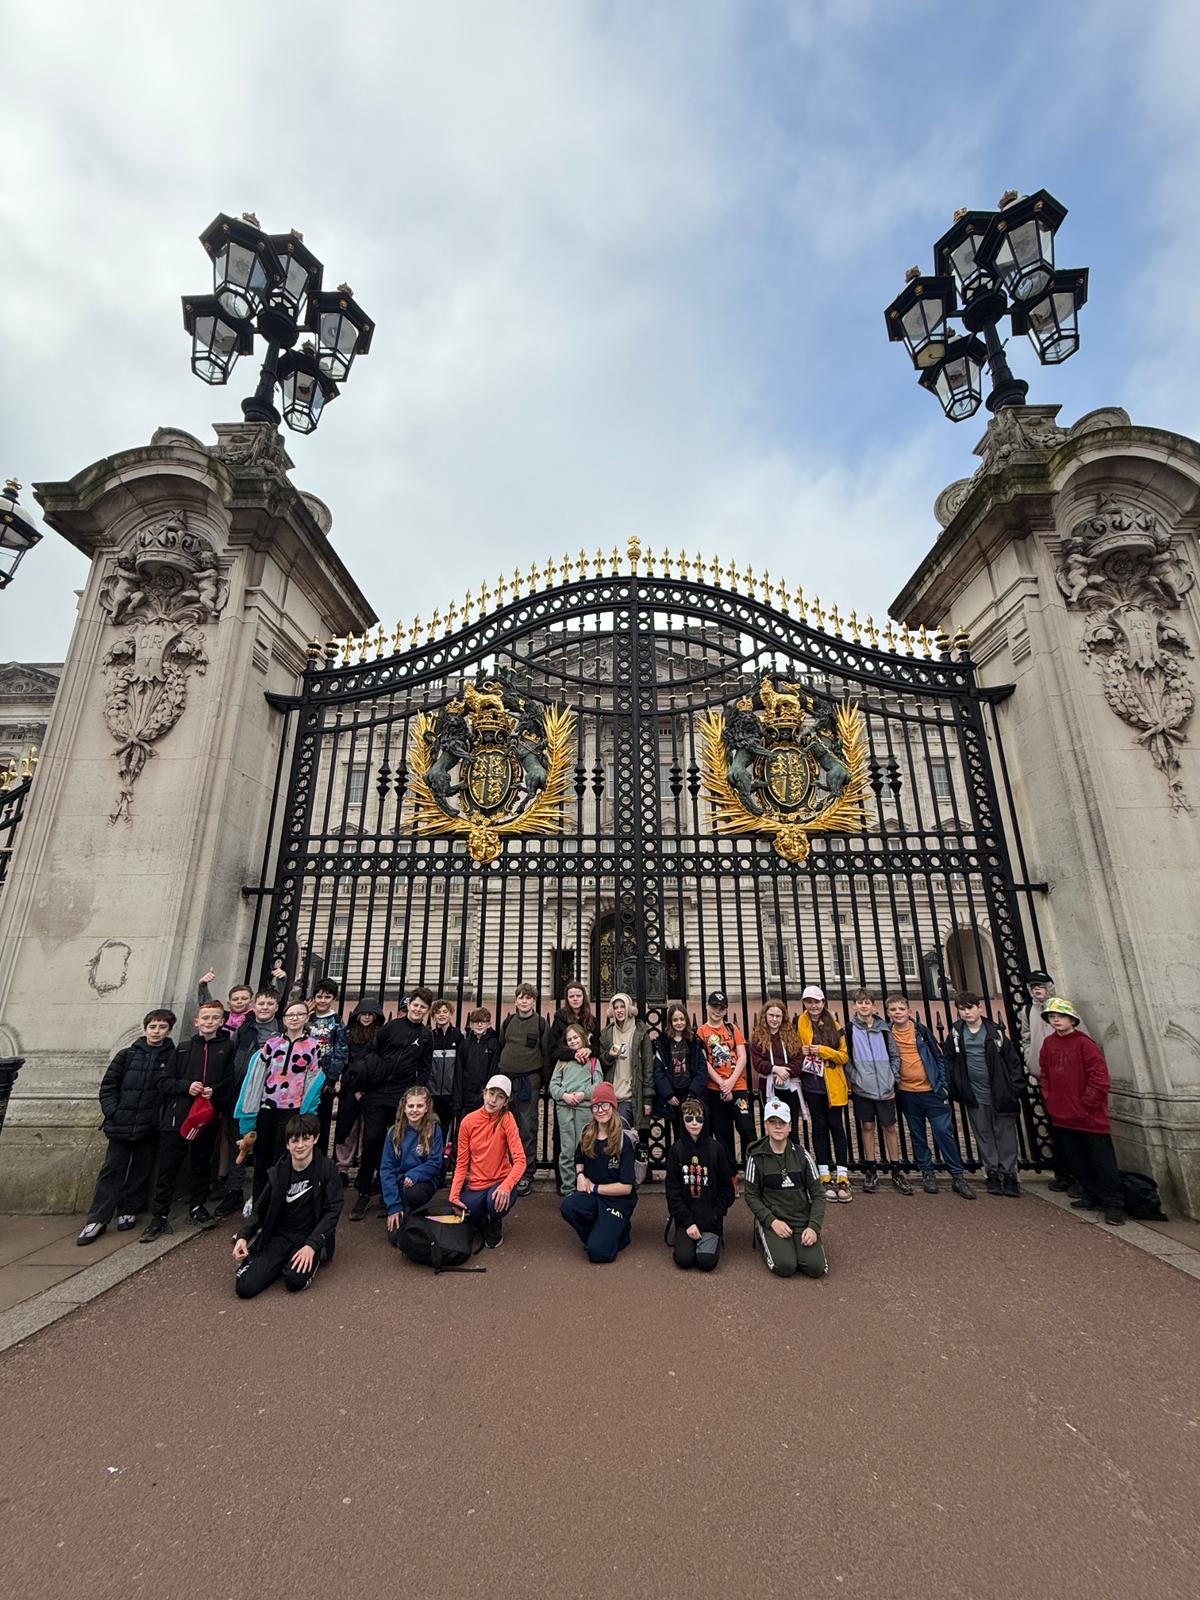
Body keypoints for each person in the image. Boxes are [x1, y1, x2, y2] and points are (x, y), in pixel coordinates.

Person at [77, 1009, 177, 1245]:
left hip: (149, 1124)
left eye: (162, 1027)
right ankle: (98, 1217)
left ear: (169, 1030)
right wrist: (113, 1111)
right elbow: (109, 1086)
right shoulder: (127, 1055)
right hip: (121, 1122)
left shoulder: (173, 1057)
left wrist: (158, 1118)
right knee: (112, 1169)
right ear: (145, 1028)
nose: (156, 1031)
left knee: (141, 1169)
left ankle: (129, 1208)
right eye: (153, 1027)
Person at [140, 999, 237, 1241]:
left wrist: (215, 1091)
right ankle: (160, 1215)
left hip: (206, 1117)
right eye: (205, 1017)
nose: (209, 1022)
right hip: (178, 1116)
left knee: (201, 1164)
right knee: (168, 1167)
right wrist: (186, 1086)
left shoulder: (227, 1047)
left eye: (214, 1018)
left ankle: (197, 1206)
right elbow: (165, 1080)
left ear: (222, 1021)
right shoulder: (183, 1048)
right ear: (196, 1022)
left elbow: (230, 1080)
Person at [232, 1113, 343, 1298]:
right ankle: (276, 1263)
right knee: (245, 1288)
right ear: (287, 1144)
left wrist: (312, 1245)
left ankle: (304, 1260)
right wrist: (244, 1236)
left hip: (309, 1237)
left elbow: (333, 1210)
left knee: (294, 1281)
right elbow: (261, 1208)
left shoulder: (327, 1169)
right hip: (280, 1236)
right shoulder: (279, 1171)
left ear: (315, 1139)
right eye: (294, 1140)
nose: (300, 1145)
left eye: (306, 1139)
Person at [1039, 997, 1126, 1226]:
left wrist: (1086, 1103)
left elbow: (1099, 1077)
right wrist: (1050, 1099)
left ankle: (1113, 1203)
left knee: (1102, 1162)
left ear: (1072, 1019)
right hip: (1063, 1114)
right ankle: (1091, 1194)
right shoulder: (1049, 1043)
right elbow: (1045, 1073)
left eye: (1060, 1016)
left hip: (1089, 1116)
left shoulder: (1085, 1044)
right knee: (1078, 1160)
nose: (1056, 1020)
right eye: (1052, 1017)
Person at [233, 1000, 325, 1207]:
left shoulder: (313, 1047)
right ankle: (259, 1206)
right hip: (267, 1108)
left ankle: (278, 1206)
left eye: (299, 1014)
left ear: (306, 1018)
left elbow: (313, 1082)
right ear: (284, 1019)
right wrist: (248, 1116)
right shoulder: (272, 1045)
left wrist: (308, 1114)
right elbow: (256, 1079)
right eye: (290, 1015)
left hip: (292, 1111)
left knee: (282, 1160)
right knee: (262, 1161)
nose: (295, 1018)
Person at [351, 986, 432, 1220]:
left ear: (427, 1010)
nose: (417, 1010)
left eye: (422, 1007)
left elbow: (425, 1067)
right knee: (373, 1139)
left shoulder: (426, 1035)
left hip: (401, 1094)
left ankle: (387, 1191)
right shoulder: (391, 1027)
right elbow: (370, 1054)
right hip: (376, 1091)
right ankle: (363, 1190)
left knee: (397, 1144)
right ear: (409, 1005)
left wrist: (416, 1093)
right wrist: (361, 1085)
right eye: (415, 1005)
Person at [886, 995, 975, 1200]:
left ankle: (957, 1175)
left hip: (931, 1091)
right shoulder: (886, 1033)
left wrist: (942, 1084)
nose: (897, 1013)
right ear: (888, 1013)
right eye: (893, 1010)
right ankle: (927, 1171)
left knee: (943, 1132)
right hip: (906, 1092)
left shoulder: (922, 1031)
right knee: (917, 1134)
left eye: (901, 1009)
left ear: (909, 1011)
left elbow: (939, 1056)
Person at [947, 992, 1027, 1197]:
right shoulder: (956, 1033)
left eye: (970, 1007)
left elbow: (1012, 1062)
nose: (967, 1012)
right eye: (962, 1009)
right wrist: (956, 1085)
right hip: (974, 1093)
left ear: (980, 1008)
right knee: (983, 1134)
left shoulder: (995, 1033)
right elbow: (950, 1060)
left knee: (1005, 1134)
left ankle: (1009, 1174)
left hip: (1000, 1092)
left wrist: (1015, 1088)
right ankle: (992, 1172)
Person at [212, 986, 281, 1218]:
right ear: (254, 1006)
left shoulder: (280, 1030)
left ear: (277, 1007)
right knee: (238, 1144)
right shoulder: (244, 1029)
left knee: (266, 1146)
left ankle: (263, 1193)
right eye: (261, 1003)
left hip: (270, 1097)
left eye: (270, 1004)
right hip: (241, 1093)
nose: (265, 1007)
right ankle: (234, 1190)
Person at [743, 1098, 828, 1279]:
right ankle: (763, 1233)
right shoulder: (756, 1158)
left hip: (801, 1220)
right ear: (765, 1125)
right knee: (785, 1266)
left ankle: (802, 1243)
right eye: (772, 1122)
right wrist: (771, 1221)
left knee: (816, 1268)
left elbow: (819, 1194)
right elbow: (751, 1196)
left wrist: (813, 1227)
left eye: (782, 1122)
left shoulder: (803, 1156)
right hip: (775, 1221)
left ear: (790, 1127)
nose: (777, 1127)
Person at [1021, 968, 1089, 1193]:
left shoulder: (1063, 1008)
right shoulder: (1027, 1010)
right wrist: (1030, 1059)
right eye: (1033, 987)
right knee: (1056, 1130)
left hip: (1070, 1080)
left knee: (1076, 1130)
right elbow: (1026, 1038)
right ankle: (1062, 1172)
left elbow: (1084, 1040)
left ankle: (1082, 1177)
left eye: (1040, 986)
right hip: (1044, 1078)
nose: (1037, 990)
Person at [560, 1083, 637, 1263]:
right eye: (596, 1106)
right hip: (593, 1196)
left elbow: (626, 1187)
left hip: (616, 1201)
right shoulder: (588, 1133)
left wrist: (594, 1187)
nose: (600, 1110)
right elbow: (578, 1158)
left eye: (604, 1105)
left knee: (598, 1253)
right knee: (568, 1207)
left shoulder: (623, 1141)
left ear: (613, 1107)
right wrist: (580, 1175)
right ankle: (600, 1233)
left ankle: (619, 1233)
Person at [845, 989, 912, 1195]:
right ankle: (871, 1168)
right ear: (854, 1006)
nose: (864, 1006)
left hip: (885, 1087)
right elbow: (847, 1058)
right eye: (860, 1002)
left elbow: (894, 1056)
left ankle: (896, 1169)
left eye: (867, 1002)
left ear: (874, 1006)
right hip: (863, 1088)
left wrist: (893, 1079)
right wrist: (856, 1080)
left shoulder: (884, 1030)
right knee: (867, 1126)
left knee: (890, 1127)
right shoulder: (849, 1029)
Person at [449, 1074, 527, 1249]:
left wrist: (507, 1186)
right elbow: (462, 1163)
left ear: (505, 1102)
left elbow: (520, 1160)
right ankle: (481, 1216)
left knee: (495, 1203)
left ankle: (494, 1220)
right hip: (477, 1184)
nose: (493, 1100)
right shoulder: (468, 1121)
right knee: (456, 1211)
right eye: (491, 1093)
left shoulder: (507, 1119)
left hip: (500, 1182)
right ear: (484, 1093)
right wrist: (454, 1196)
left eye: (500, 1097)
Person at [663, 1097, 734, 1271]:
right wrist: (687, 1222)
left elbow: (727, 1189)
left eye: (699, 1118)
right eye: (689, 1118)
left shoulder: (716, 1149)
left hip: (711, 1217)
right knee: (684, 1259)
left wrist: (716, 1214)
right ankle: (686, 1237)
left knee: (706, 1262)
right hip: (687, 1219)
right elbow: (672, 1192)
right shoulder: (676, 1150)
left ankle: (709, 1240)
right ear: (683, 1121)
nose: (694, 1123)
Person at [796, 986, 853, 1203]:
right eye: (809, 1002)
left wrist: (822, 1050)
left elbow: (844, 1056)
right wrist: (801, 1051)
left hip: (832, 1085)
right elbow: (793, 1049)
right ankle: (824, 1173)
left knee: (836, 1127)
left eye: (816, 1002)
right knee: (818, 1127)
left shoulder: (835, 1025)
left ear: (823, 1003)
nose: (813, 1006)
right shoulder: (799, 1023)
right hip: (812, 1085)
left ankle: (842, 1174)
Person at [498, 982, 547, 1196]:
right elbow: (502, 1046)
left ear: (534, 1001)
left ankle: (526, 1173)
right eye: (521, 997)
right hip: (507, 1082)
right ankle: (508, 1168)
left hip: (529, 1081)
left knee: (527, 1128)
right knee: (507, 1127)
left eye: (528, 998)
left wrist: (543, 1082)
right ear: (516, 1000)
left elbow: (546, 1054)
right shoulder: (508, 1021)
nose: (524, 1001)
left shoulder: (541, 1024)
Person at [698, 990, 755, 1172]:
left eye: (721, 1008)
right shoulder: (702, 1031)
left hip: (737, 1085)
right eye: (714, 1006)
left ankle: (752, 1167)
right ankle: (730, 1173)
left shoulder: (732, 1029)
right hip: (715, 1087)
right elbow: (704, 1061)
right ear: (707, 1007)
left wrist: (730, 1082)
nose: (717, 1011)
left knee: (746, 1127)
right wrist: (722, 1083)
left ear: (726, 1010)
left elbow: (742, 1057)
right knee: (723, 1132)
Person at [380, 1084, 445, 1239]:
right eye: (411, 1106)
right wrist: (394, 1206)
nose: (414, 1110)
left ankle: (418, 1211)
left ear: (427, 1108)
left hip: (423, 1182)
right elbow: (387, 1169)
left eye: (419, 1106)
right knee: (395, 1237)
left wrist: (415, 1174)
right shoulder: (394, 1133)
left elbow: (436, 1162)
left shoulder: (434, 1129)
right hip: (400, 1183)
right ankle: (404, 1210)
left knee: (414, 1194)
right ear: (404, 1107)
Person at [548, 1022, 604, 1195]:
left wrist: (583, 1094)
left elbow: (598, 1085)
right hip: (565, 1109)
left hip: (584, 1109)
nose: (573, 1041)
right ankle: (568, 1188)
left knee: (585, 1147)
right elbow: (553, 1085)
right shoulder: (562, 1061)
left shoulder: (593, 1060)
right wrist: (563, 1095)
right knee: (567, 1149)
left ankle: (585, 1184)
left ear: (583, 1038)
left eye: (575, 1037)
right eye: (569, 1039)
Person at [333, 999, 384, 1182]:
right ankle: (342, 1166)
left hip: (372, 1088)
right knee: (348, 1128)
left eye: (370, 1014)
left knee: (368, 1130)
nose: (367, 1017)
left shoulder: (380, 1036)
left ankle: (365, 1163)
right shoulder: (349, 1035)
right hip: (350, 1087)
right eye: (364, 1014)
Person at [749, 998, 808, 1144]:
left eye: (778, 1016)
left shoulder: (791, 1036)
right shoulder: (757, 1037)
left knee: (791, 1128)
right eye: (771, 1015)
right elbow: (758, 1063)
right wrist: (775, 1069)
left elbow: (798, 1060)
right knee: (773, 1126)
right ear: (765, 1016)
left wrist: (785, 1073)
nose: (774, 1019)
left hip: (790, 1087)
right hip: (768, 1087)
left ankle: (792, 1155)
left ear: (783, 1017)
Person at [597, 991, 653, 1134]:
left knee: (620, 1130)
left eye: (622, 1007)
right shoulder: (607, 1034)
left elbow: (648, 1067)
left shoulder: (640, 1033)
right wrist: (609, 1056)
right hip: (610, 1095)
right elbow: (600, 1063)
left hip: (630, 1096)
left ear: (629, 1009)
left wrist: (647, 1099)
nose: (619, 1010)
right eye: (616, 1007)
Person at [652, 1003, 708, 1140]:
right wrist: (668, 1094)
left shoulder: (693, 1041)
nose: (679, 1023)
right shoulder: (663, 1043)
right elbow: (659, 1072)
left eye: (682, 1019)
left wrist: (693, 1092)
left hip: (691, 1093)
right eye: (675, 1020)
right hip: (674, 1095)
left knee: (695, 1130)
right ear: (670, 1022)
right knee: (678, 1131)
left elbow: (702, 1068)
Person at [305, 979, 349, 1154]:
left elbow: (341, 1050)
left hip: (324, 1077)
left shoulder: (336, 1021)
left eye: (327, 997)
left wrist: (331, 1078)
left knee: (322, 1119)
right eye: (319, 996)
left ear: (333, 998)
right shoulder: (307, 1017)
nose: (322, 1000)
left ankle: (320, 1154)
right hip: (303, 1075)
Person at [427, 997, 465, 1139]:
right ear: (433, 1016)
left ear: (450, 1014)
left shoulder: (458, 1036)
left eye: (445, 1011)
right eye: (438, 1012)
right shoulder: (430, 1036)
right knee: (431, 1128)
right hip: (433, 1091)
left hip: (450, 1092)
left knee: (447, 1129)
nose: (441, 1015)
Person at [460, 1007, 500, 1116]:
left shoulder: (494, 1044)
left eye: (483, 1022)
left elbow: (493, 1070)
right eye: (476, 1022)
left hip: (485, 1095)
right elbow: (459, 1072)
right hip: (467, 1097)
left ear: (489, 1024)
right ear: (471, 1024)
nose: (479, 1025)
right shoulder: (464, 1045)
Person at [197, 969, 253, 1040]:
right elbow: (208, 1006)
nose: (239, 1002)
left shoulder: (254, 1019)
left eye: (244, 999)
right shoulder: (223, 1017)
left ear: (251, 1002)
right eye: (235, 999)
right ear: (229, 1004)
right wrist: (202, 986)